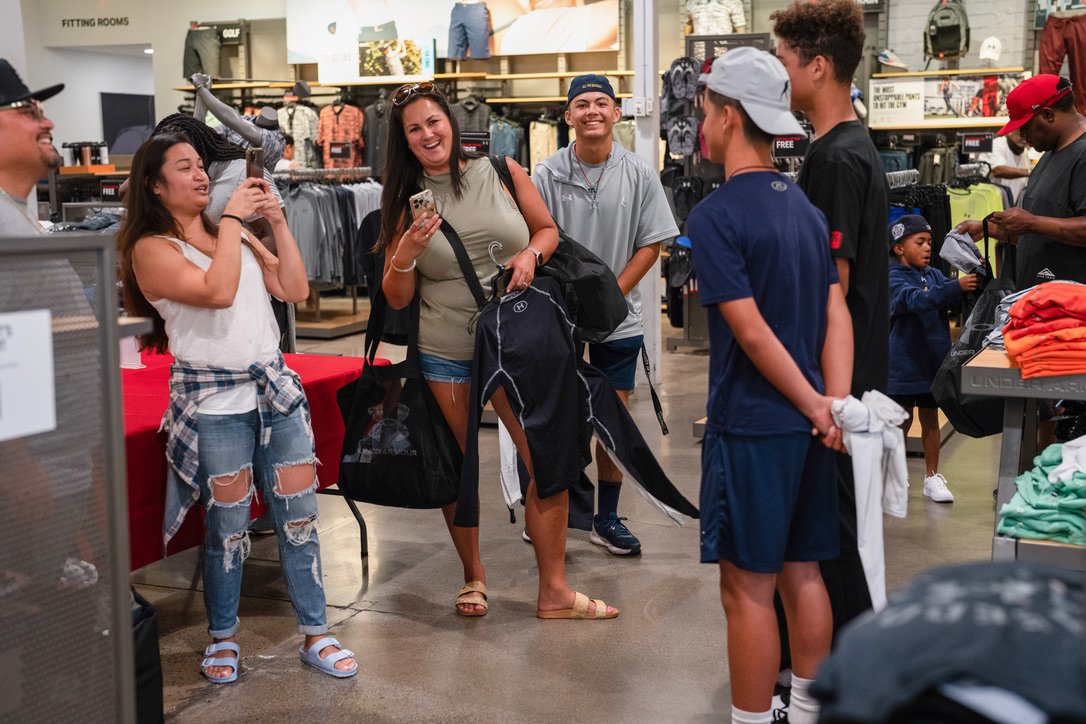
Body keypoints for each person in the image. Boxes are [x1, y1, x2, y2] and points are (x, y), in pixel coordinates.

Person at [117, 132, 358, 682]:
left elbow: (293, 289)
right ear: (155, 186)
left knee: (300, 517)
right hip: (214, 403)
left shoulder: (235, 234)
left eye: (200, 165)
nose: (200, 174)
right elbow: (217, 291)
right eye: (184, 167)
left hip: (275, 391)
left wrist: (275, 222)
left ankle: (317, 632)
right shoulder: (152, 249)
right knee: (226, 525)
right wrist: (231, 220)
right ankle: (223, 636)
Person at [377, 80, 618, 619]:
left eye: (433, 121)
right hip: (447, 350)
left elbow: (547, 230)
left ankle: (554, 591)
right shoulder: (404, 200)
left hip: (518, 344)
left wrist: (531, 255)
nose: (427, 134)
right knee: (460, 468)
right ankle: (473, 575)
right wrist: (406, 252)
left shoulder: (503, 170)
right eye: (414, 129)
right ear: (404, 140)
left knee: (545, 459)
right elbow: (398, 297)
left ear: (450, 122)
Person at [688, 47, 852, 724]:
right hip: (811, 426)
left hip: (753, 424)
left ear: (729, 116)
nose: (701, 126)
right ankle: (808, 713)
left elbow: (752, 334)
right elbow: (835, 310)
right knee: (802, 572)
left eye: (705, 112)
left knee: (747, 590)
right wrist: (832, 403)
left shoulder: (715, 215)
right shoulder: (805, 209)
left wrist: (816, 403)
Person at [772, 0, 889, 637]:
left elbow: (831, 290)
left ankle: (850, 665)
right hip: (843, 376)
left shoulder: (838, 159)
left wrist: (824, 395)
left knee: (834, 532)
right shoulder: (841, 147)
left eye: (785, 60)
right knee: (833, 526)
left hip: (839, 379)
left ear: (817, 66)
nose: (781, 73)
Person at [532, 74, 678, 555]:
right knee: (558, 416)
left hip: (619, 318)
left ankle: (606, 517)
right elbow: (534, 237)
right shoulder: (546, 174)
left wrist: (609, 296)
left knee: (612, 418)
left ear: (617, 113)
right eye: (581, 104)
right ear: (568, 116)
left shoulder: (639, 172)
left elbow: (651, 243)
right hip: (560, 317)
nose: (591, 110)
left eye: (601, 102)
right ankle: (550, 508)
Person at [959, 74, 1086, 289]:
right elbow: (1043, 234)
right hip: (1038, 298)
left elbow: (1038, 225)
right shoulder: (1049, 156)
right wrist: (990, 229)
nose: (1023, 136)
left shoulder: (1082, 155)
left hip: (1071, 304)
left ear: (1048, 115)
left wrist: (1031, 222)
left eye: (1025, 126)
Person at [888, 214, 979, 504]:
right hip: (903, 366)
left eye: (929, 242)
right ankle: (895, 475)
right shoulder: (893, 279)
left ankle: (931, 477)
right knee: (901, 420)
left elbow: (950, 300)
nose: (928, 247)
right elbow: (917, 300)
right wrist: (956, 287)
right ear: (899, 248)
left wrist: (974, 280)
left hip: (933, 365)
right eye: (920, 242)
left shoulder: (936, 276)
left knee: (930, 419)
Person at [978, 128, 1032, 204]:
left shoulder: (1024, 151)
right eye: (1021, 133)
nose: (1025, 138)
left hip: (1011, 203)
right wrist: (1030, 172)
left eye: (1027, 135)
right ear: (1010, 131)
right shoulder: (996, 144)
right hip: (992, 203)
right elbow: (998, 170)